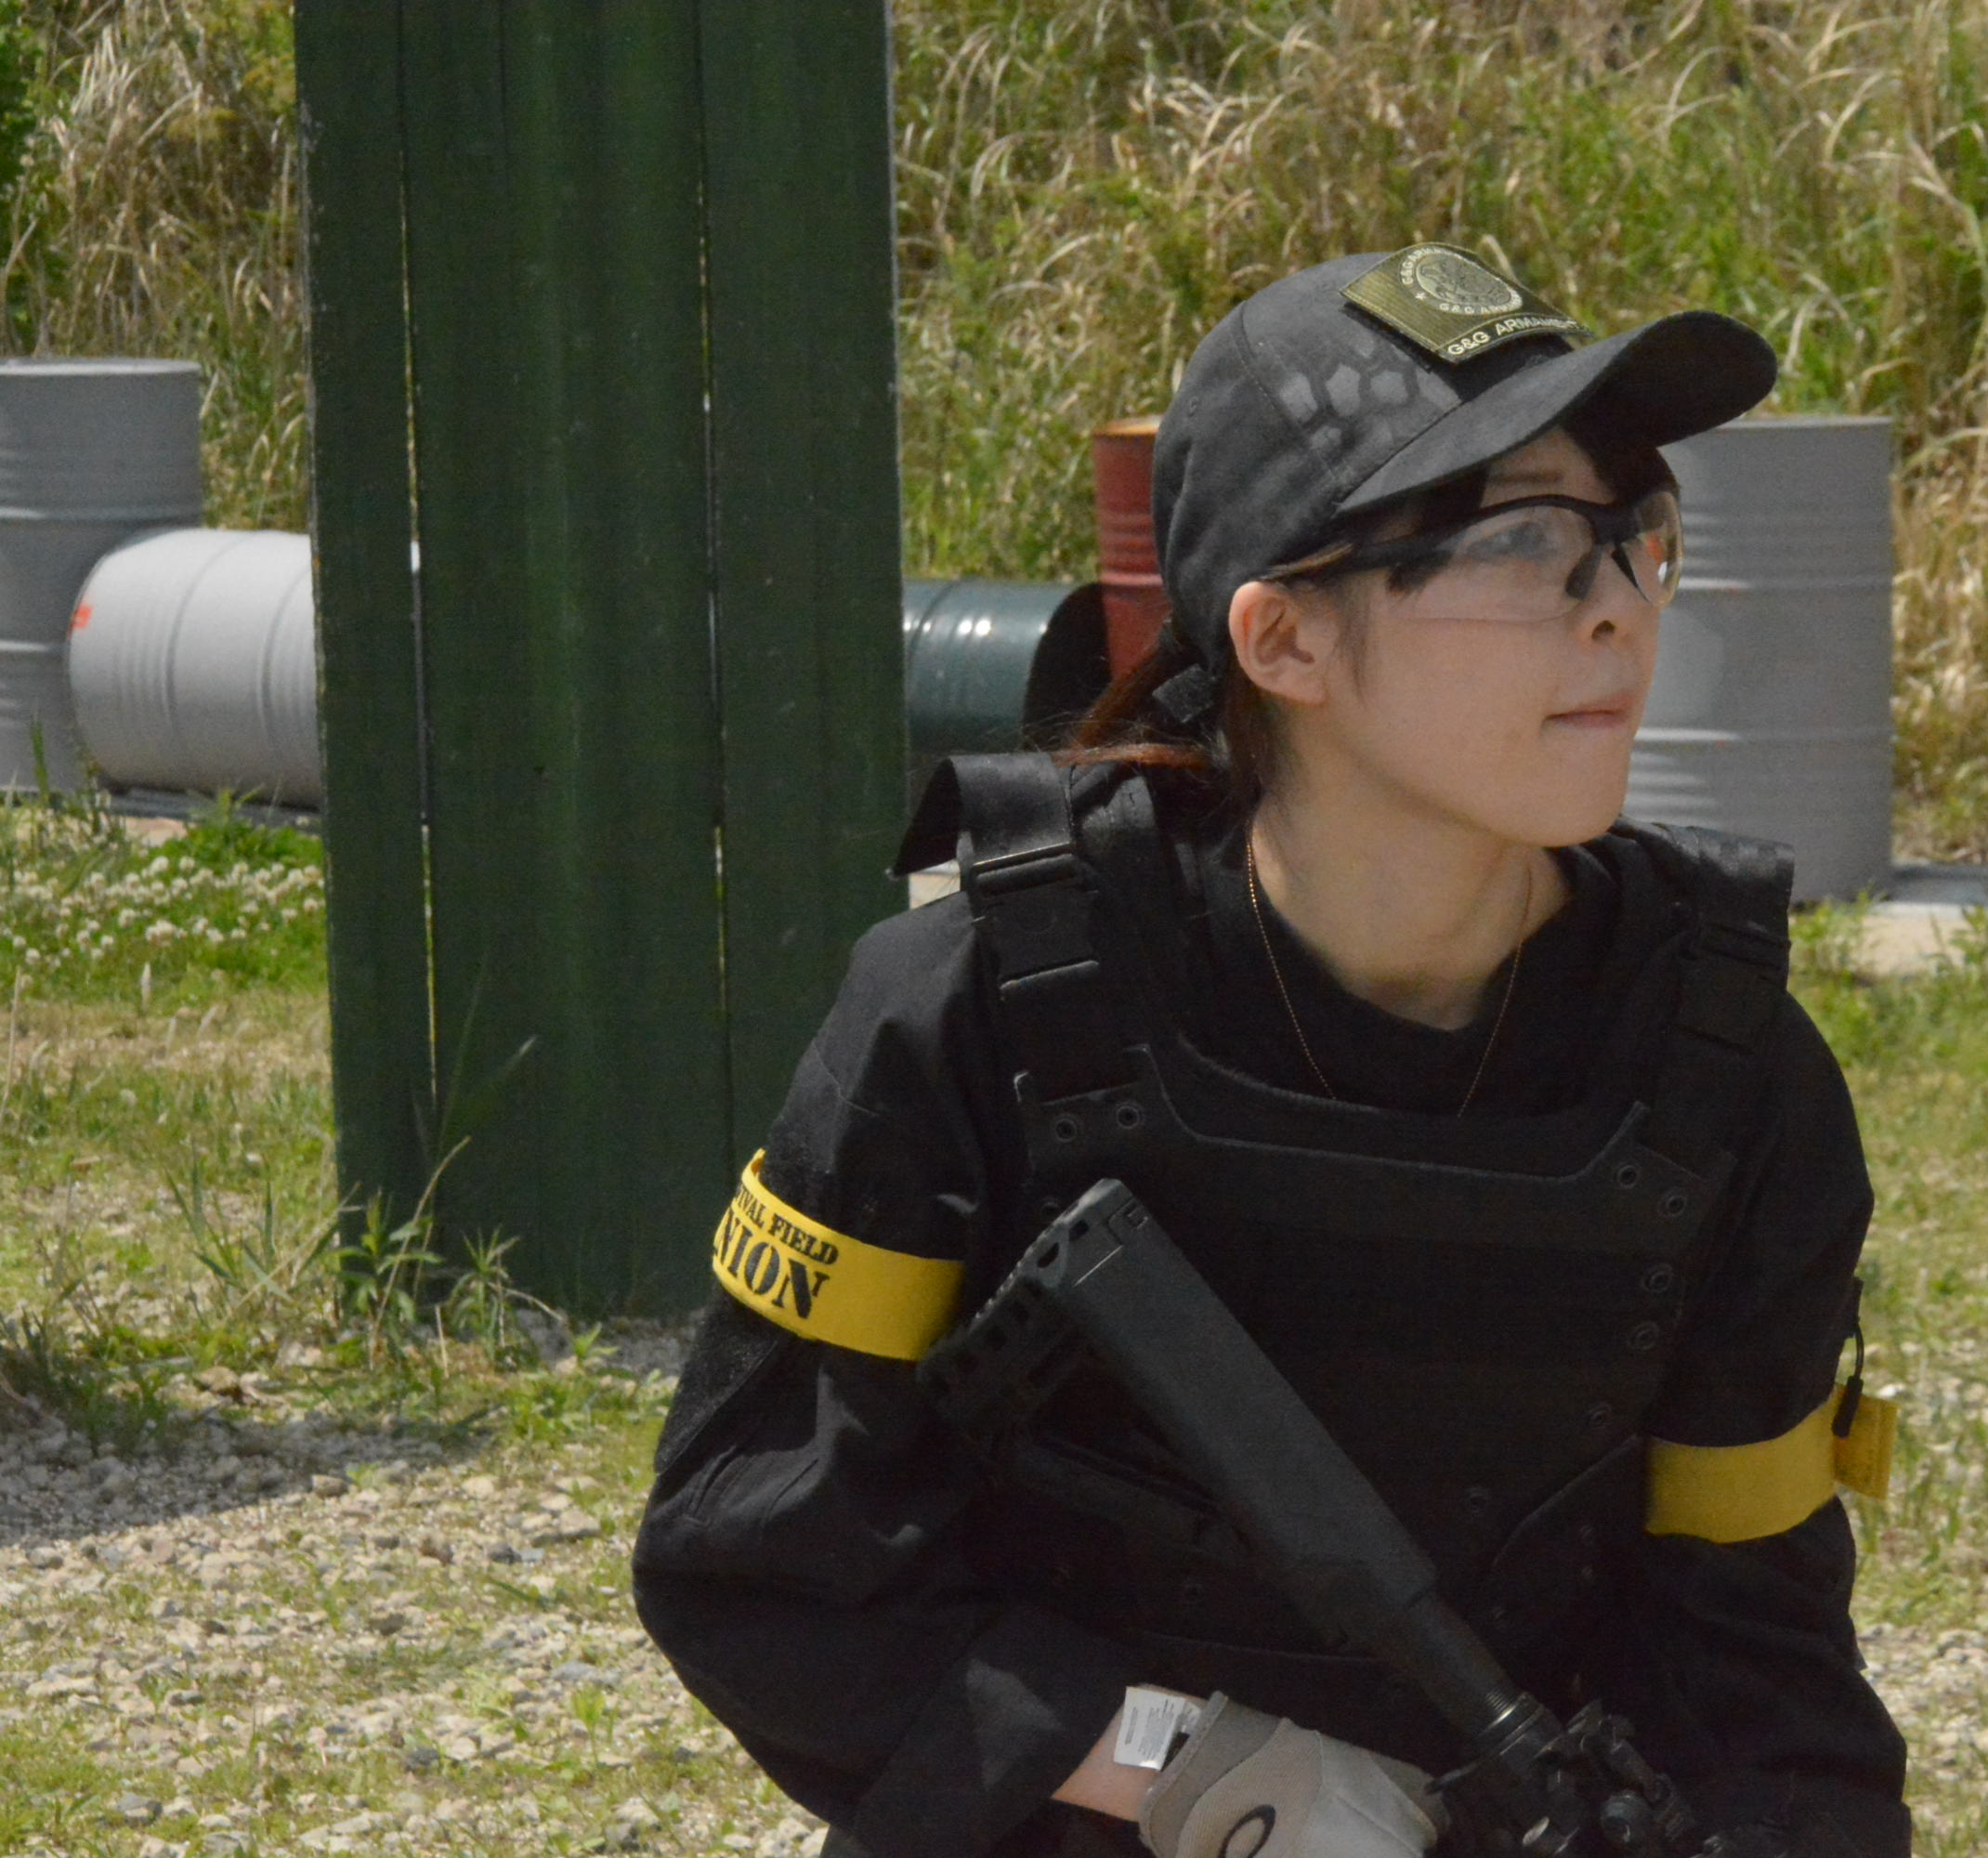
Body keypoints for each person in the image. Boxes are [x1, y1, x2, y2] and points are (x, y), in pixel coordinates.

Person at [634, 242, 1910, 1858]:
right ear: (1284, 641)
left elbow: (1759, 1668)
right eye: (1521, 542)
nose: (1612, 612)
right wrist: (1184, 1768)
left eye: (1632, 535)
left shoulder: (1724, 1069)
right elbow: (760, 1559)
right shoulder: (975, 1007)